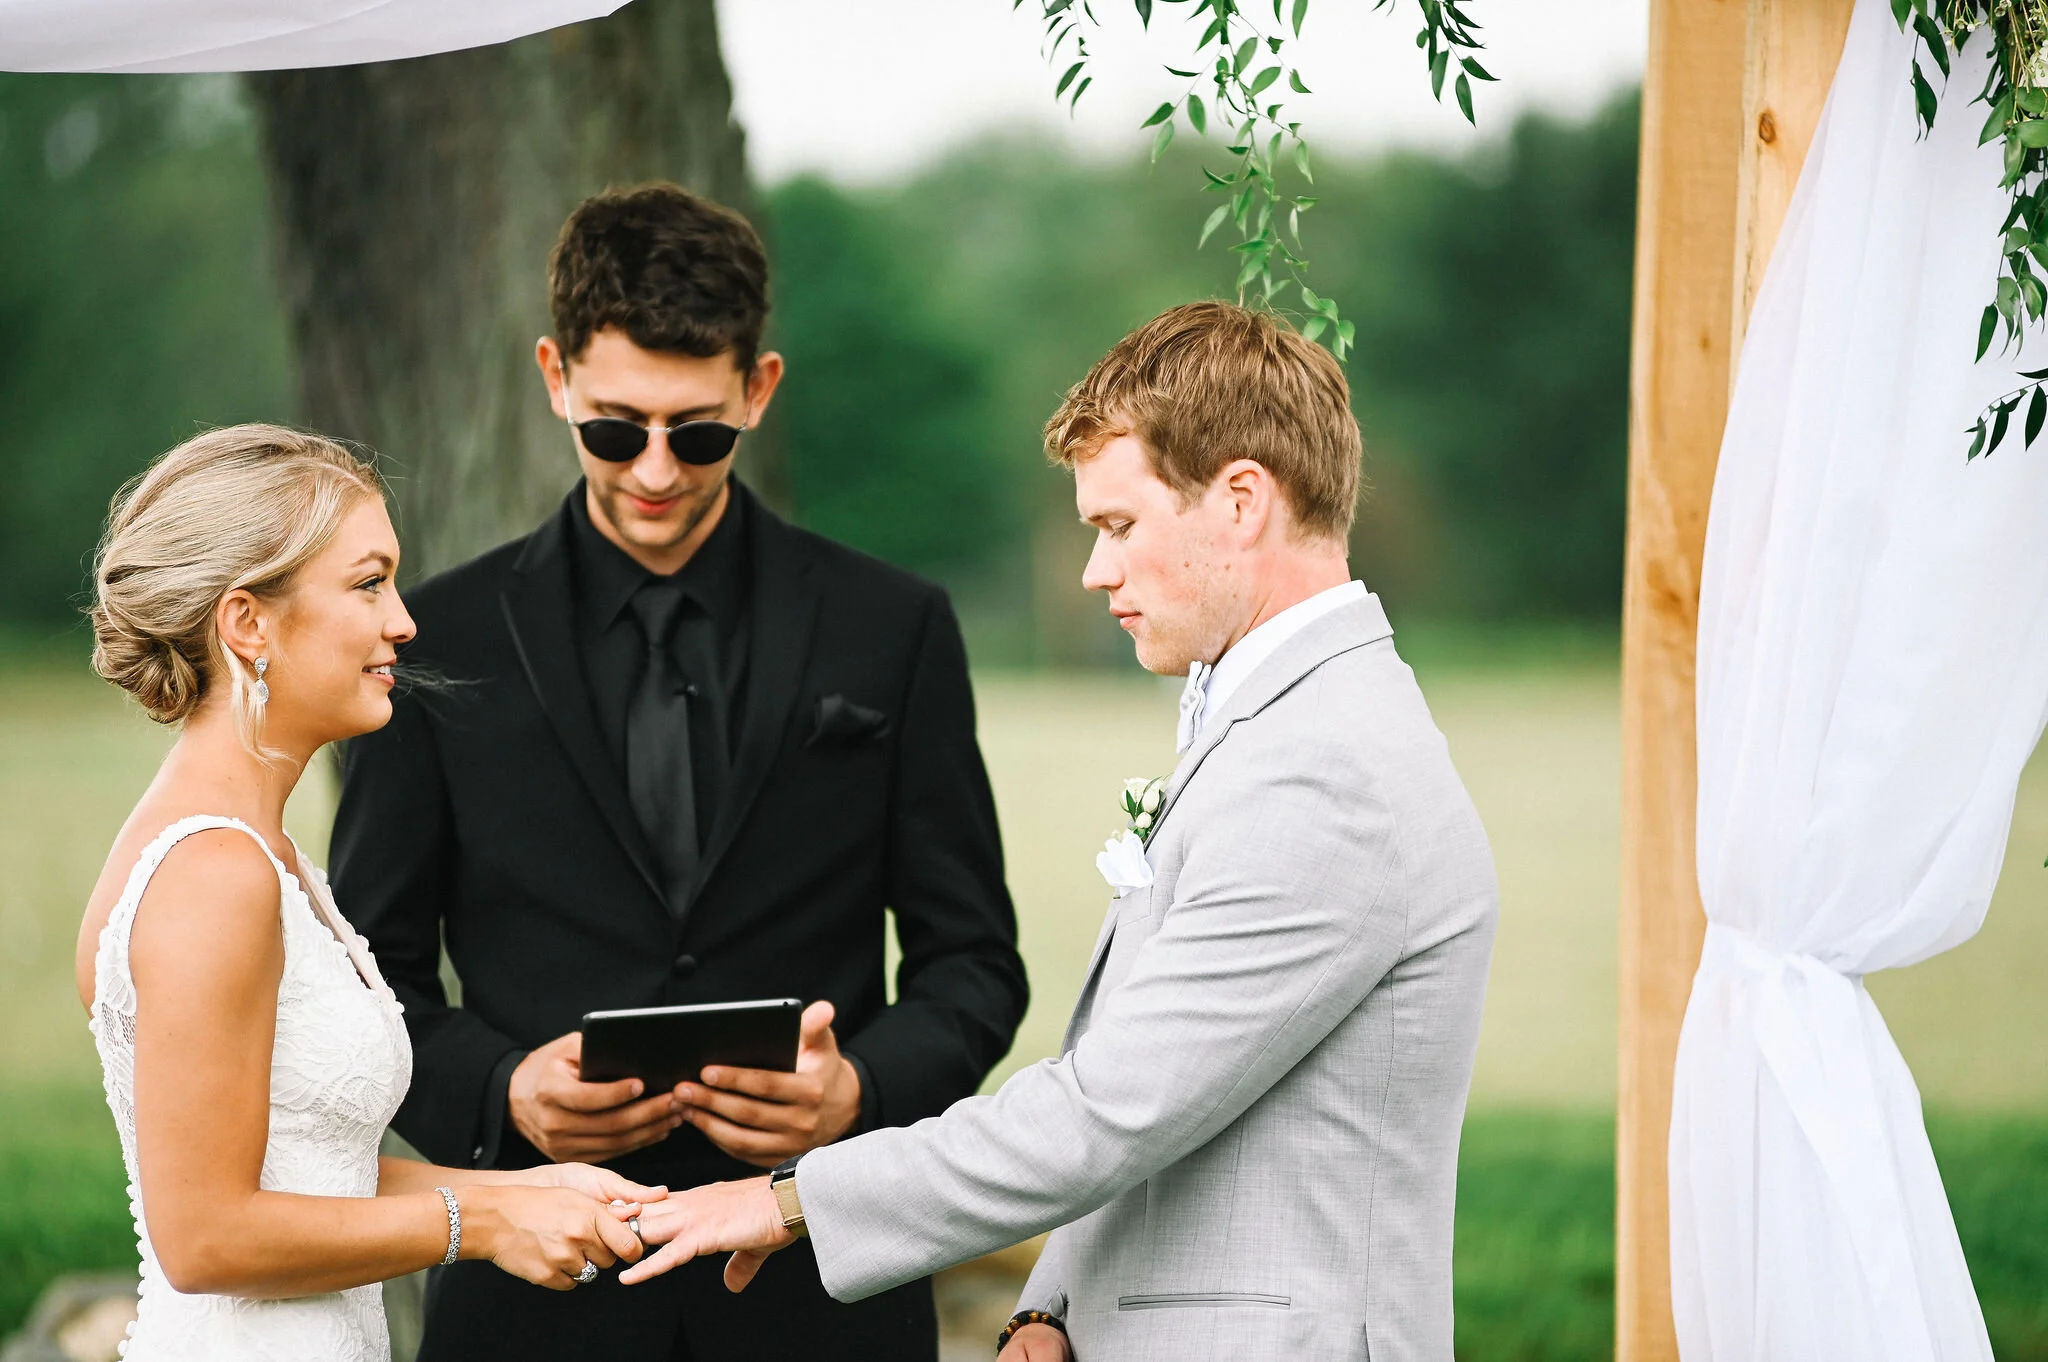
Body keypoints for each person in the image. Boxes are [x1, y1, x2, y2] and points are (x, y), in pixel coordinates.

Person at [618, 301, 1501, 1361]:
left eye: (1117, 526)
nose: (1094, 570)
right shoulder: (1281, 724)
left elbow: (1110, 1110)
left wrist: (788, 1199)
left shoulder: (1325, 770)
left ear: (1240, 501)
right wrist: (1053, 1308)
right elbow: (1172, 1096)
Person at [328, 182, 1028, 1362]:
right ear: (554, 377)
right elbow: (364, 976)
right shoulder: (433, 640)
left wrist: (858, 1090)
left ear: (758, 389)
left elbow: (972, 963)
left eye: (696, 432)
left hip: (822, 1300)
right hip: (533, 1311)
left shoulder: (890, 628)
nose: (654, 470)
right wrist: (501, 1090)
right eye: (614, 429)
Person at [74, 425, 662, 1362]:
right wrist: (481, 1225)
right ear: (247, 624)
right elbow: (206, 1236)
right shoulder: (213, 873)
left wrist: (529, 1190)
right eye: (368, 583)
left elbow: (310, 1171)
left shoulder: (259, 854)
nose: (404, 621)